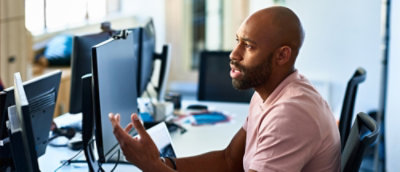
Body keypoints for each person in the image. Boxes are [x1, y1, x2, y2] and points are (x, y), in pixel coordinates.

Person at [109, 6, 341, 172]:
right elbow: (229, 160)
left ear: (282, 55)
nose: (233, 54)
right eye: (237, 40)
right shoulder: (270, 92)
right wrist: (162, 164)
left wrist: (151, 167)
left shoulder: (290, 113)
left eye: (248, 46)